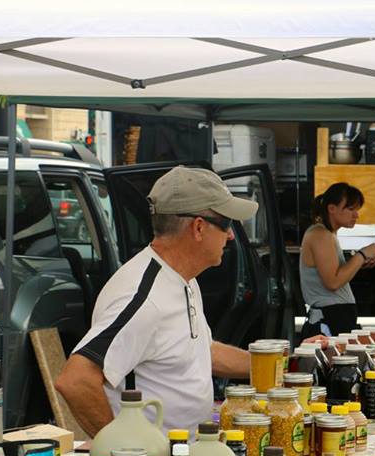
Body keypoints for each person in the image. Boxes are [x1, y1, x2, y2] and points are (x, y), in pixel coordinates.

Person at [55, 166, 259, 435]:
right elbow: (76, 380)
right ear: (198, 227)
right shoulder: (144, 297)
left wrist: (281, 363)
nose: (231, 235)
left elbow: (200, 352)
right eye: (227, 223)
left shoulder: (184, 279)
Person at [299, 182, 375, 338]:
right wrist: (362, 255)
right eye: (351, 209)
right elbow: (333, 282)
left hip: (337, 317)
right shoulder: (320, 234)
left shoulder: (328, 234)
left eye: (356, 210)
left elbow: (335, 273)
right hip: (330, 319)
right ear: (332, 209)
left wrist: (359, 263)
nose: (356, 215)